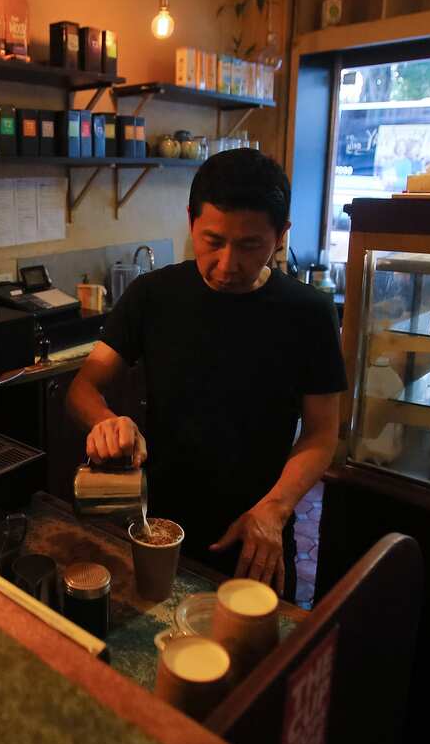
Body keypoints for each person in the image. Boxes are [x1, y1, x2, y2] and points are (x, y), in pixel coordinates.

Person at [66, 149, 347, 598]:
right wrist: (104, 422)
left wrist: (276, 508)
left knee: (257, 660)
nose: (227, 264)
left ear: (280, 236)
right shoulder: (152, 296)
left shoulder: (309, 313)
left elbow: (321, 434)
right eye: (212, 241)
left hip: (260, 532)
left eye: (250, 245)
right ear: (191, 222)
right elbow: (84, 387)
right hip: (159, 528)